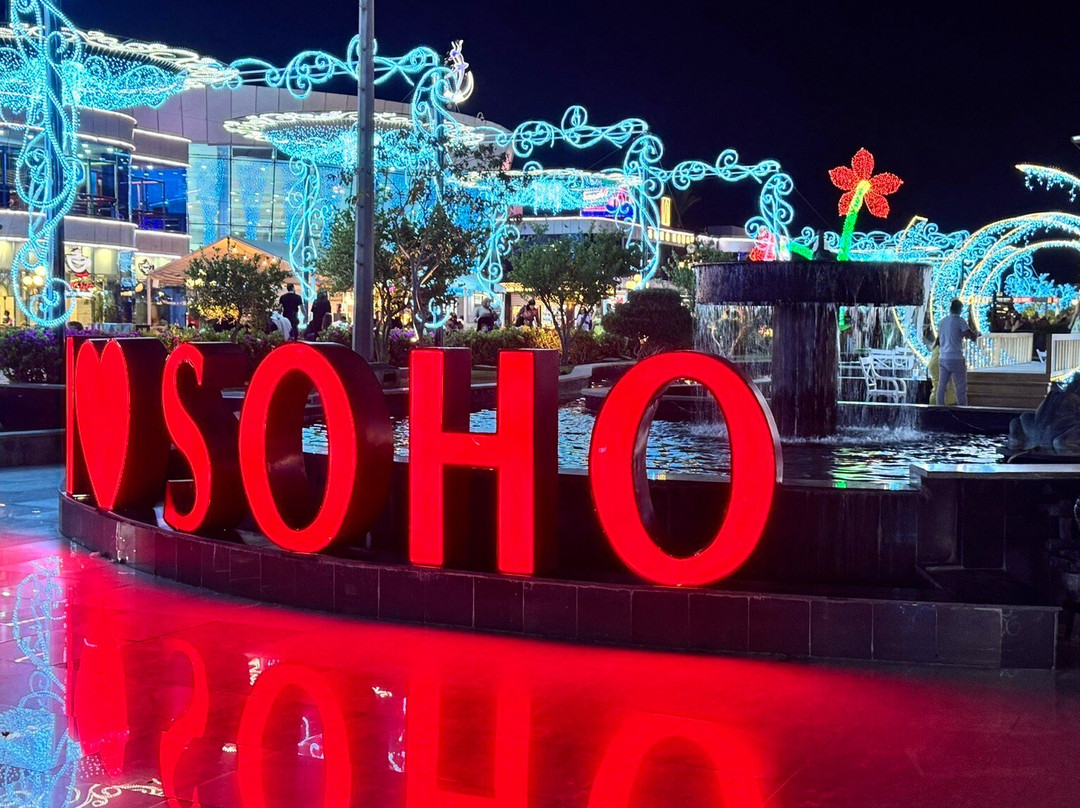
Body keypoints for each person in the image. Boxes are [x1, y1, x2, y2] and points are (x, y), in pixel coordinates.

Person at [935, 299, 979, 406]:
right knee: (960, 387)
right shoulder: (960, 321)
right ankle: (962, 408)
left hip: (943, 357)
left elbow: (938, 340)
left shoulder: (942, 322)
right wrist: (976, 333)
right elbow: (970, 335)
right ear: (959, 309)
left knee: (941, 386)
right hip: (956, 357)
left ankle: (939, 407)